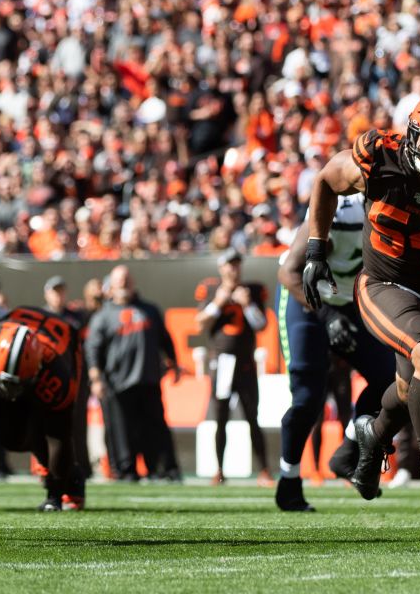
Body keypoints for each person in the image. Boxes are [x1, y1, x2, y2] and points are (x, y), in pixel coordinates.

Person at [304, 88, 420, 512]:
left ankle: (371, 435)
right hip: (381, 284)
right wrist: (316, 249)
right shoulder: (379, 154)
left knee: (414, 388)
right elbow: (325, 181)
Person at [274, 193, 396, 512]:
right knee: (308, 397)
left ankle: (348, 450)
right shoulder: (340, 213)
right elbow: (288, 273)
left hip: (349, 302)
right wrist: (326, 316)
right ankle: (288, 482)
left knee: (390, 380)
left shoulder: (396, 214)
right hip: (307, 299)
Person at [0, 307, 86, 511]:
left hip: (64, 343)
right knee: (10, 439)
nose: (10, 392)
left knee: (53, 427)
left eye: (16, 385)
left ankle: (70, 479)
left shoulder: (56, 374)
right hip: (15, 341)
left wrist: (53, 498)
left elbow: (59, 436)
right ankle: (44, 454)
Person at [86, 266, 182, 483]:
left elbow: (165, 339)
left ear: (133, 283)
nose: (123, 285)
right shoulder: (103, 316)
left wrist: (174, 363)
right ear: (111, 285)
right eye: (119, 281)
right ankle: (125, 471)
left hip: (148, 379)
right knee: (121, 431)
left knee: (155, 427)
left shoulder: (149, 310)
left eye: (127, 280)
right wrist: (96, 379)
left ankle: (163, 470)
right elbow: (93, 350)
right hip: (116, 382)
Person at [196, 248, 272, 485]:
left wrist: (248, 304)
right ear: (221, 268)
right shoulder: (210, 289)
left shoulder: (253, 290)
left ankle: (264, 470)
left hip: (246, 363)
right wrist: (218, 302)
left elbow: (261, 325)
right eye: (229, 264)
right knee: (220, 418)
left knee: (253, 417)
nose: (233, 269)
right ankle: (219, 469)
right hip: (223, 363)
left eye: (237, 264)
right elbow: (200, 323)